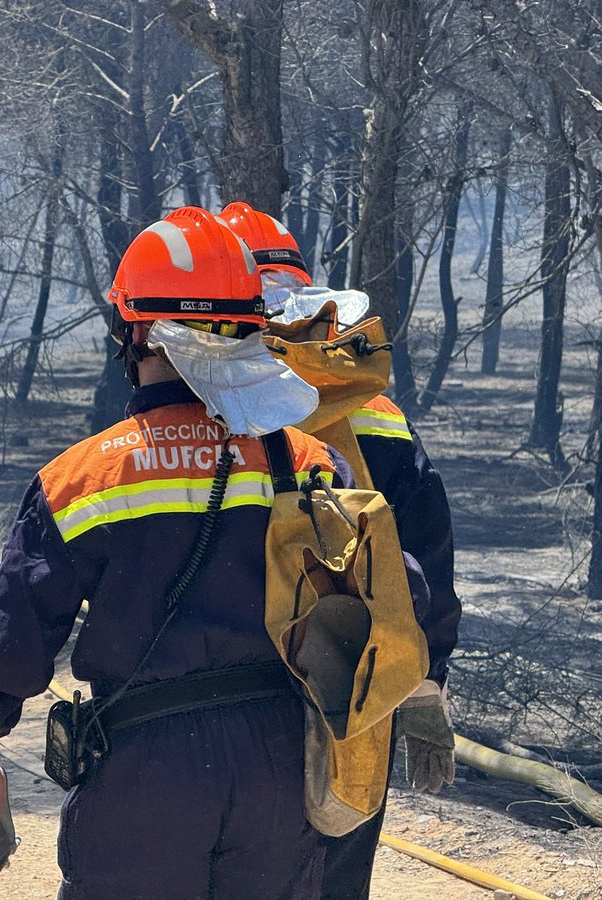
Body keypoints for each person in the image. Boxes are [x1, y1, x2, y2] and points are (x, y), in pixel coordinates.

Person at [0, 207, 395, 899]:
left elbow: (16, 636)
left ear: (134, 329)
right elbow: (389, 594)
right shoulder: (313, 462)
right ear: (252, 327)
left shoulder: (81, 479)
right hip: (278, 766)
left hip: (143, 769)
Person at [217, 201, 461, 900]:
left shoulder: (203, 410)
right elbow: (423, 561)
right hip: (349, 703)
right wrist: (425, 683)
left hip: (220, 711)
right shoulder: (375, 413)